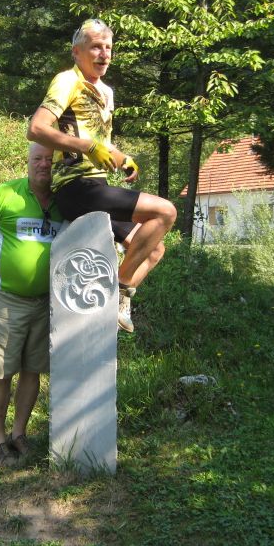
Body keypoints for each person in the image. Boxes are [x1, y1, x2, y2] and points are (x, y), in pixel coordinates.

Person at [27, 18, 176, 333]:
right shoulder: (67, 80)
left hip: (98, 187)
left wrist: (123, 159)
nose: (104, 54)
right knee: (165, 211)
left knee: (155, 249)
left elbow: (101, 143)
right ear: (76, 52)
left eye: (108, 47)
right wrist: (87, 147)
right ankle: (119, 288)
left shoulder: (106, 91)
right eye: (96, 47)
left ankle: (116, 302)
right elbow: (36, 129)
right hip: (74, 188)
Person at [0, 143, 62, 468]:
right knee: (2, 371)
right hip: (7, 301)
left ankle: (19, 433)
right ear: (28, 161)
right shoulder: (4, 195)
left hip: (45, 302)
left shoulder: (65, 201)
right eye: (38, 159)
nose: (44, 165)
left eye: (50, 160)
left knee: (32, 370)